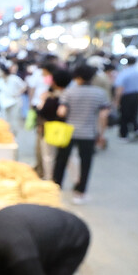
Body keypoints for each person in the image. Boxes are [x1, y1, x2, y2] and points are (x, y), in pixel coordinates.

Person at [51, 64, 110, 203]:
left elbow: (61, 112)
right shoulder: (100, 93)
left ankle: (55, 186)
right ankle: (80, 192)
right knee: (86, 163)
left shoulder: (69, 92)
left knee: (61, 160)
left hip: (68, 132)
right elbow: (103, 116)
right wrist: (101, 134)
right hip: (88, 133)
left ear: (77, 77)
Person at [34, 68, 71, 179]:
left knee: (48, 156)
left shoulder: (50, 96)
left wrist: (42, 102)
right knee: (63, 156)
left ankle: (49, 177)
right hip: (64, 129)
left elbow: (42, 111)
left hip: (48, 128)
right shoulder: (68, 94)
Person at [112, 56, 138, 140]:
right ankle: (137, 129)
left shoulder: (124, 72)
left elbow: (119, 88)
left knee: (124, 115)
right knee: (135, 113)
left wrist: (116, 101)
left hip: (126, 96)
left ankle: (124, 134)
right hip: (137, 95)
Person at [0, 65, 28, 138]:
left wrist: (17, 94)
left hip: (14, 102)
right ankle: (5, 135)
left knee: (13, 120)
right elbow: (0, 92)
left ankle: (13, 135)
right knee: (4, 119)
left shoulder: (14, 78)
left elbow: (24, 86)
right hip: (4, 102)